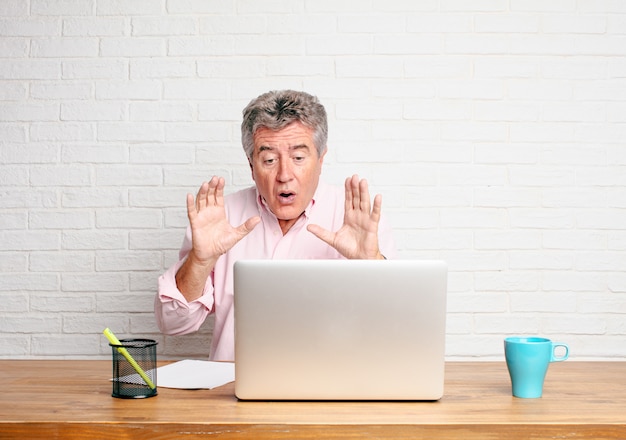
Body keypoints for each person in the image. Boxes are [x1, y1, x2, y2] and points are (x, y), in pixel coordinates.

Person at [155, 90, 396, 361]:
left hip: (332, 389)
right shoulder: (220, 218)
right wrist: (200, 260)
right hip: (233, 390)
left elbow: (395, 330)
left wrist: (372, 263)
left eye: (298, 158)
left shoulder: (358, 219)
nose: (284, 175)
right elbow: (173, 324)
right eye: (269, 160)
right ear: (251, 164)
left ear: (321, 159)